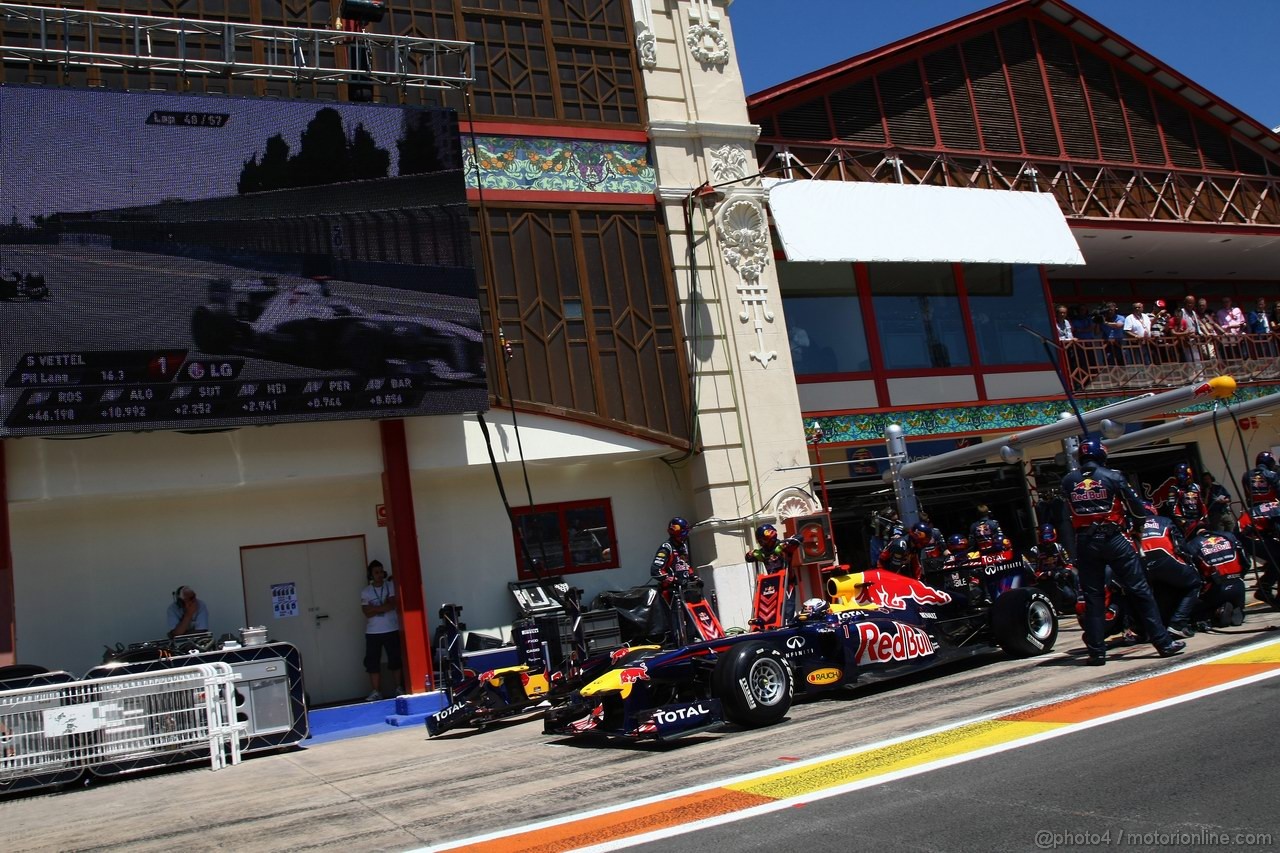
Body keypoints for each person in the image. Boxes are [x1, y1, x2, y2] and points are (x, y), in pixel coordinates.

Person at [1060, 437, 1185, 665]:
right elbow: (1137, 509)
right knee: (1140, 590)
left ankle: (1097, 653)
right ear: (1102, 455)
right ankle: (1164, 644)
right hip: (1114, 538)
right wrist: (1137, 528)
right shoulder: (1113, 476)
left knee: (1094, 597)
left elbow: (1065, 519)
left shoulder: (1068, 481)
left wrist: (1073, 552)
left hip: (1085, 542)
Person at [1136, 515, 1201, 639]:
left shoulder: (1128, 524)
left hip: (1140, 565)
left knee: (1145, 594)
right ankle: (1178, 624)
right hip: (1165, 559)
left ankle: (1148, 628)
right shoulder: (1164, 520)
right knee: (1194, 583)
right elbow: (1181, 546)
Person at [1240, 452, 1280, 605]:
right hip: (1254, 533)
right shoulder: (1272, 476)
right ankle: (1265, 587)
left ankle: (1265, 586)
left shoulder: (1246, 476)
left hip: (1250, 521)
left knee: (1275, 557)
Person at [360, 559, 401, 701]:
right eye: (376, 572)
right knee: (372, 662)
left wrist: (375, 608)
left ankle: (398, 688)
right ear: (371, 575)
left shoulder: (390, 586)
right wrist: (382, 606)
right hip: (373, 632)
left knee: (395, 659)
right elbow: (366, 612)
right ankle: (376, 691)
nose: (379, 575)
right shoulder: (366, 591)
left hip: (391, 629)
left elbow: (391, 605)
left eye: (381, 572)